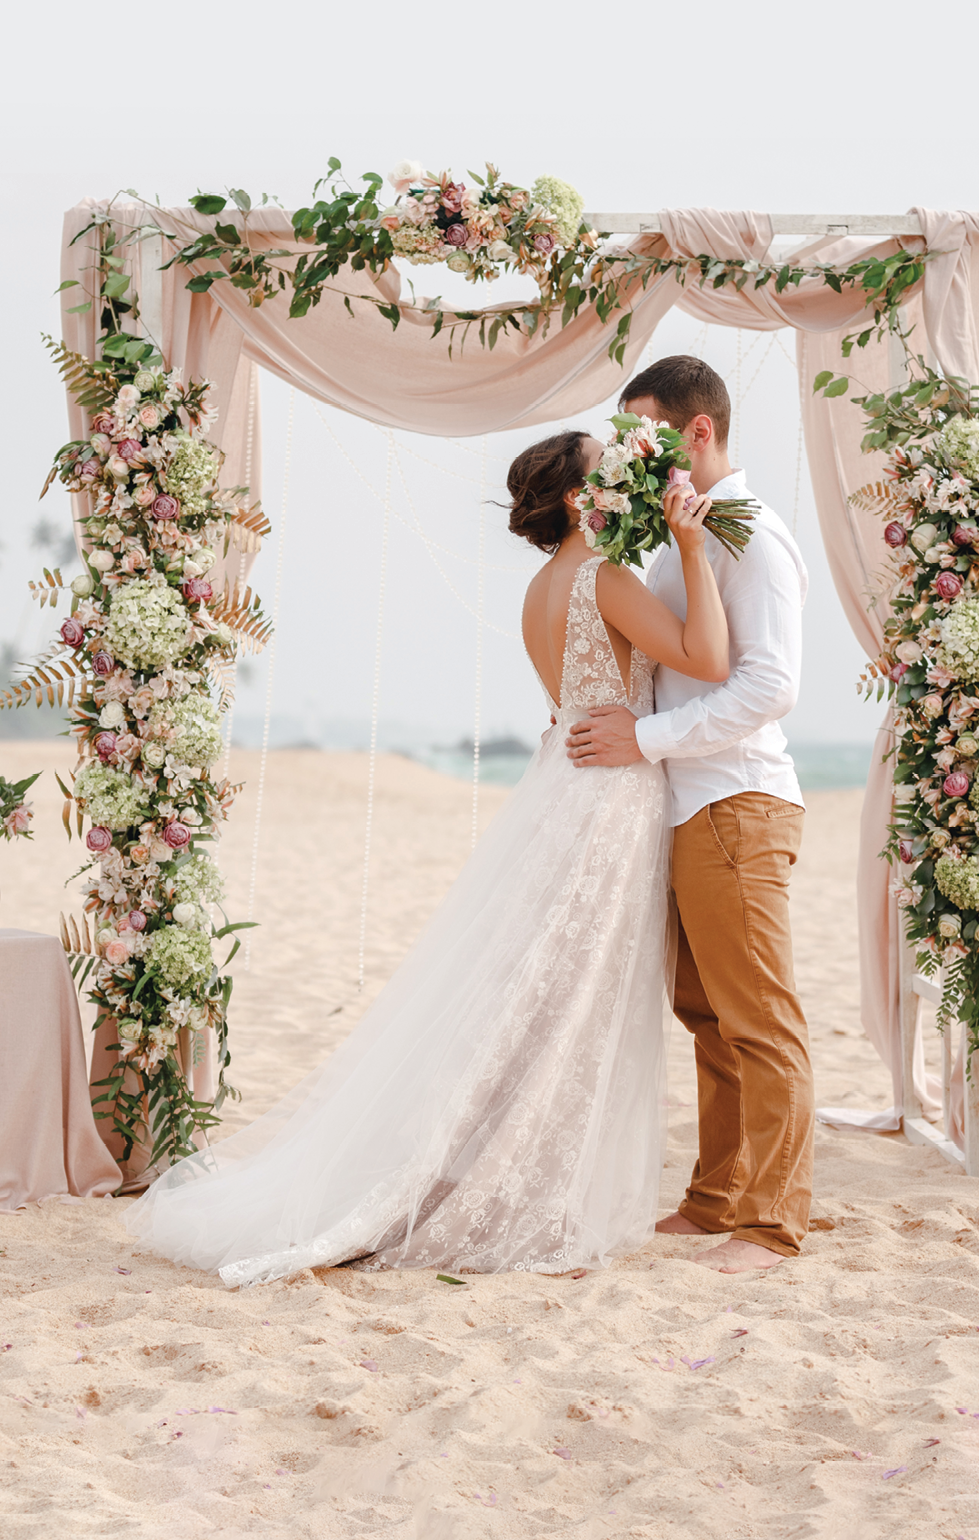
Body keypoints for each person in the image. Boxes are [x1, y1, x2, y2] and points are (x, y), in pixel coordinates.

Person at [123, 429, 729, 1286]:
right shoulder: (606, 578)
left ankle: (484, 1160)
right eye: (609, 468)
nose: (624, 476)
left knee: (539, 994)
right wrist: (694, 549)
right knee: (573, 1001)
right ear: (575, 499)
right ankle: (513, 1183)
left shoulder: (540, 589)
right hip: (607, 801)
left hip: (564, 786)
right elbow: (707, 657)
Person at [565, 355, 814, 1276]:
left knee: (760, 1019)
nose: (632, 450)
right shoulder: (682, 537)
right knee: (706, 1016)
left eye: (644, 432)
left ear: (696, 432)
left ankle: (774, 1223)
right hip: (685, 804)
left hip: (737, 801)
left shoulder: (754, 537)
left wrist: (651, 738)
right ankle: (716, 1201)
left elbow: (771, 687)